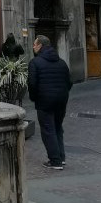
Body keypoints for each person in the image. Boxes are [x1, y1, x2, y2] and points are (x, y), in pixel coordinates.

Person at [27, 34, 72, 170]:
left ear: (40, 45)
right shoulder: (62, 62)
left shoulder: (35, 63)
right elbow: (69, 82)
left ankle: (55, 161)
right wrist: (62, 94)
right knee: (58, 128)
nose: (33, 47)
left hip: (44, 101)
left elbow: (32, 84)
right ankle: (61, 157)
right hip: (61, 100)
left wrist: (35, 98)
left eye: (34, 44)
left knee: (48, 130)